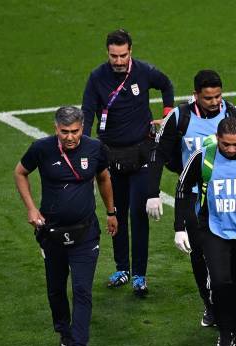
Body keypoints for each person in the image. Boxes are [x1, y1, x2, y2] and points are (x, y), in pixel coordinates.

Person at [14, 106, 118, 346]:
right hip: (52, 234)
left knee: (82, 290)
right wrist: (31, 208)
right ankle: (63, 330)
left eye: (74, 132)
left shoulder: (95, 149)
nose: (70, 137)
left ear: (82, 128)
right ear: (55, 129)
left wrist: (111, 212)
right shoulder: (42, 148)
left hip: (85, 233)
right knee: (56, 288)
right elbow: (20, 172)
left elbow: (103, 177)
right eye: (64, 132)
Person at [146, 69, 236, 326]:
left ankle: (229, 301)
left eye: (218, 96)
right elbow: (159, 154)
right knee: (200, 254)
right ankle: (210, 305)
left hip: (228, 196)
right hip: (193, 197)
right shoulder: (180, 117)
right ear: (195, 95)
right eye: (209, 98)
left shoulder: (233, 114)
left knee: (233, 252)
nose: (215, 102)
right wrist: (153, 193)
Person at [82, 29, 174, 296]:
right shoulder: (97, 77)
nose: (118, 61)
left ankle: (140, 276)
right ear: (107, 53)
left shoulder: (144, 71)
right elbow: (88, 112)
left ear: (130, 51)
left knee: (138, 213)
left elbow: (166, 84)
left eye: (123, 55)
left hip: (142, 153)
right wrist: (85, 144)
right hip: (111, 155)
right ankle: (122, 268)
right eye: (114, 56)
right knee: (117, 214)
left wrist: (167, 114)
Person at [173, 117, 236, 346]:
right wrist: (179, 227)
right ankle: (225, 334)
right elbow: (183, 189)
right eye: (226, 144)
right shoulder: (202, 158)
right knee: (220, 282)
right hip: (213, 228)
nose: (231, 149)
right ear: (217, 139)